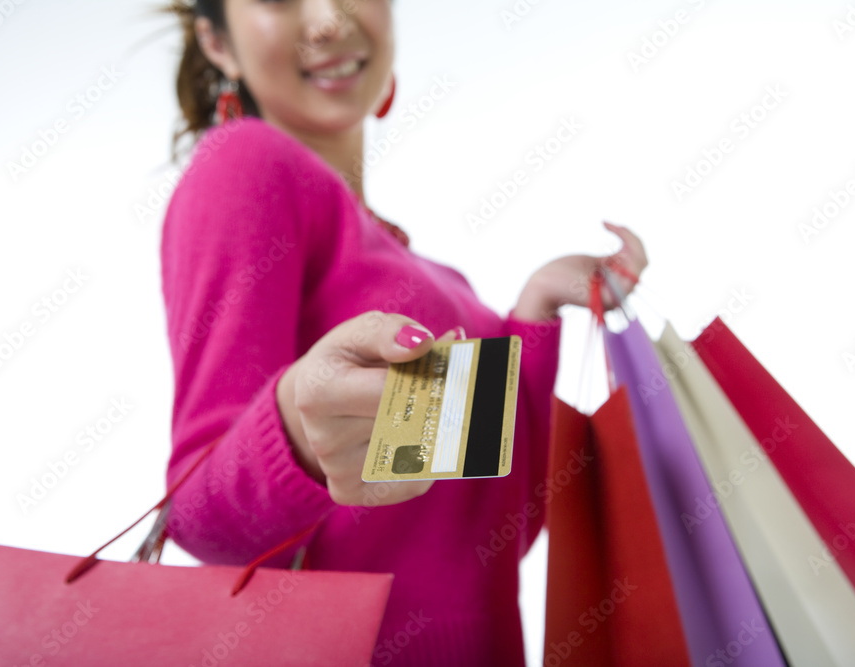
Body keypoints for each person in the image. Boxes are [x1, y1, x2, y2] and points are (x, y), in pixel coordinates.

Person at [161, 1, 648, 664]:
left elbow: (498, 531)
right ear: (217, 43)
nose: (329, 20)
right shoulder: (246, 163)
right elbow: (195, 509)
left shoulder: (423, 266)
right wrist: (296, 434)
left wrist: (534, 311)